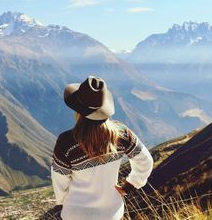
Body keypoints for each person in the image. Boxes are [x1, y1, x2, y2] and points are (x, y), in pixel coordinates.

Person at [51, 76, 154, 220]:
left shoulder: (66, 142)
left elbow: (60, 181)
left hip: (76, 215)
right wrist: (129, 186)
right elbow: (146, 161)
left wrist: (63, 201)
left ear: (78, 110)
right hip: (111, 214)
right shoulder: (121, 134)